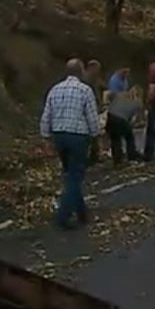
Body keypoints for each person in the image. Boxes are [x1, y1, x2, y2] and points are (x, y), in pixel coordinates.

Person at [40, 59, 100, 230]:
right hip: (78, 136)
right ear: (81, 72)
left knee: (70, 173)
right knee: (75, 176)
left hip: (59, 135)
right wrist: (96, 137)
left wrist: (46, 137)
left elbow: (47, 115)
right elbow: (92, 117)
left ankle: (82, 213)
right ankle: (63, 215)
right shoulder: (85, 90)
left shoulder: (55, 89)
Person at [106, 86, 142, 165]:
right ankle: (131, 156)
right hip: (122, 119)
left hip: (111, 116)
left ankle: (117, 160)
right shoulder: (138, 102)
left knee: (115, 139)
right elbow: (136, 119)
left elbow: (109, 96)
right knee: (129, 137)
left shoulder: (120, 94)